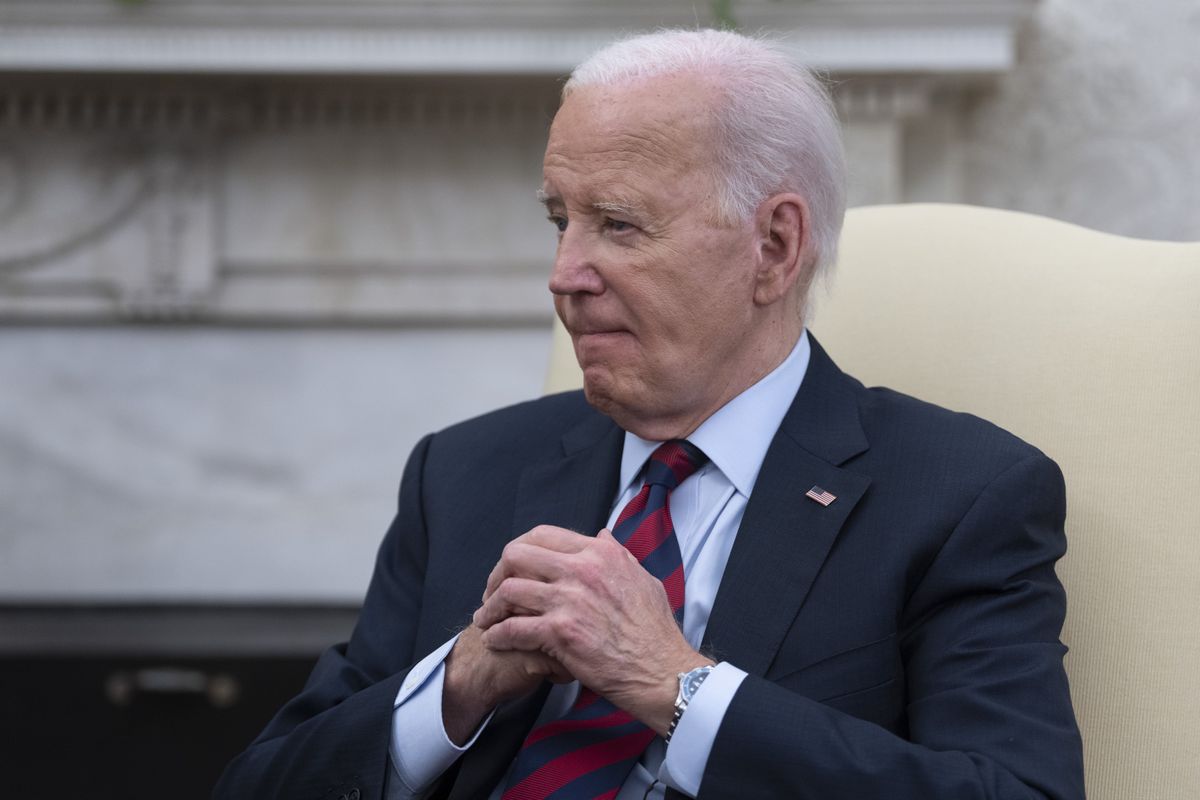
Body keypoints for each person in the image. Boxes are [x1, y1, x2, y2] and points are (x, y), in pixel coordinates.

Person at [214, 29, 1084, 800]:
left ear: (774, 247)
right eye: (561, 221)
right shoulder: (464, 472)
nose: (565, 272)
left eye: (619, 225)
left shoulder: (960, 496)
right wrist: (458, 682)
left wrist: (672, 683)